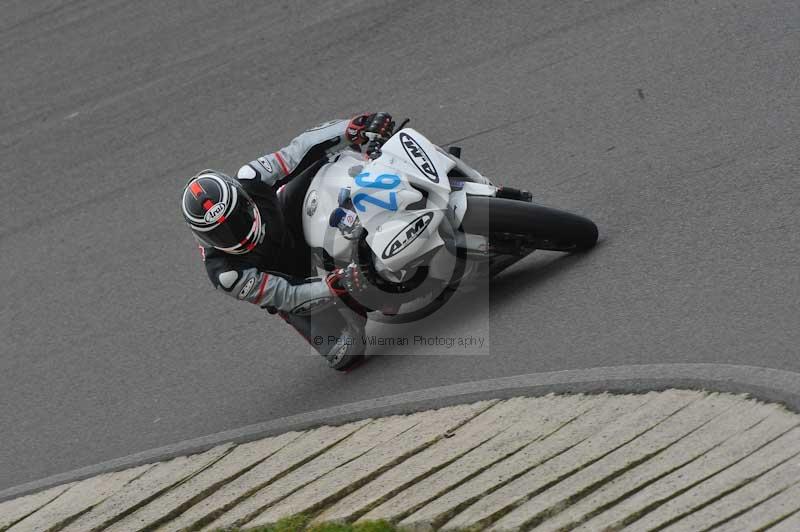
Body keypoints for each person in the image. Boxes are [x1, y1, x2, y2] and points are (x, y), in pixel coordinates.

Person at [180, 113, 395, 370]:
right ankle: (364, 293)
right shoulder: (226, 274)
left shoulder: (251, 177)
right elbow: (287, 294)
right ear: (202, 235)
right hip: (290, 278)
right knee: (345, 351)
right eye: (219, 233)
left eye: (235, 221)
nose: (233, 235)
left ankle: (385, 177)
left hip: (288, 220)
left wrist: (352, 128)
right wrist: (337, 286)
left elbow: (301, 149)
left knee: (330, 161)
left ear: (244, 200)